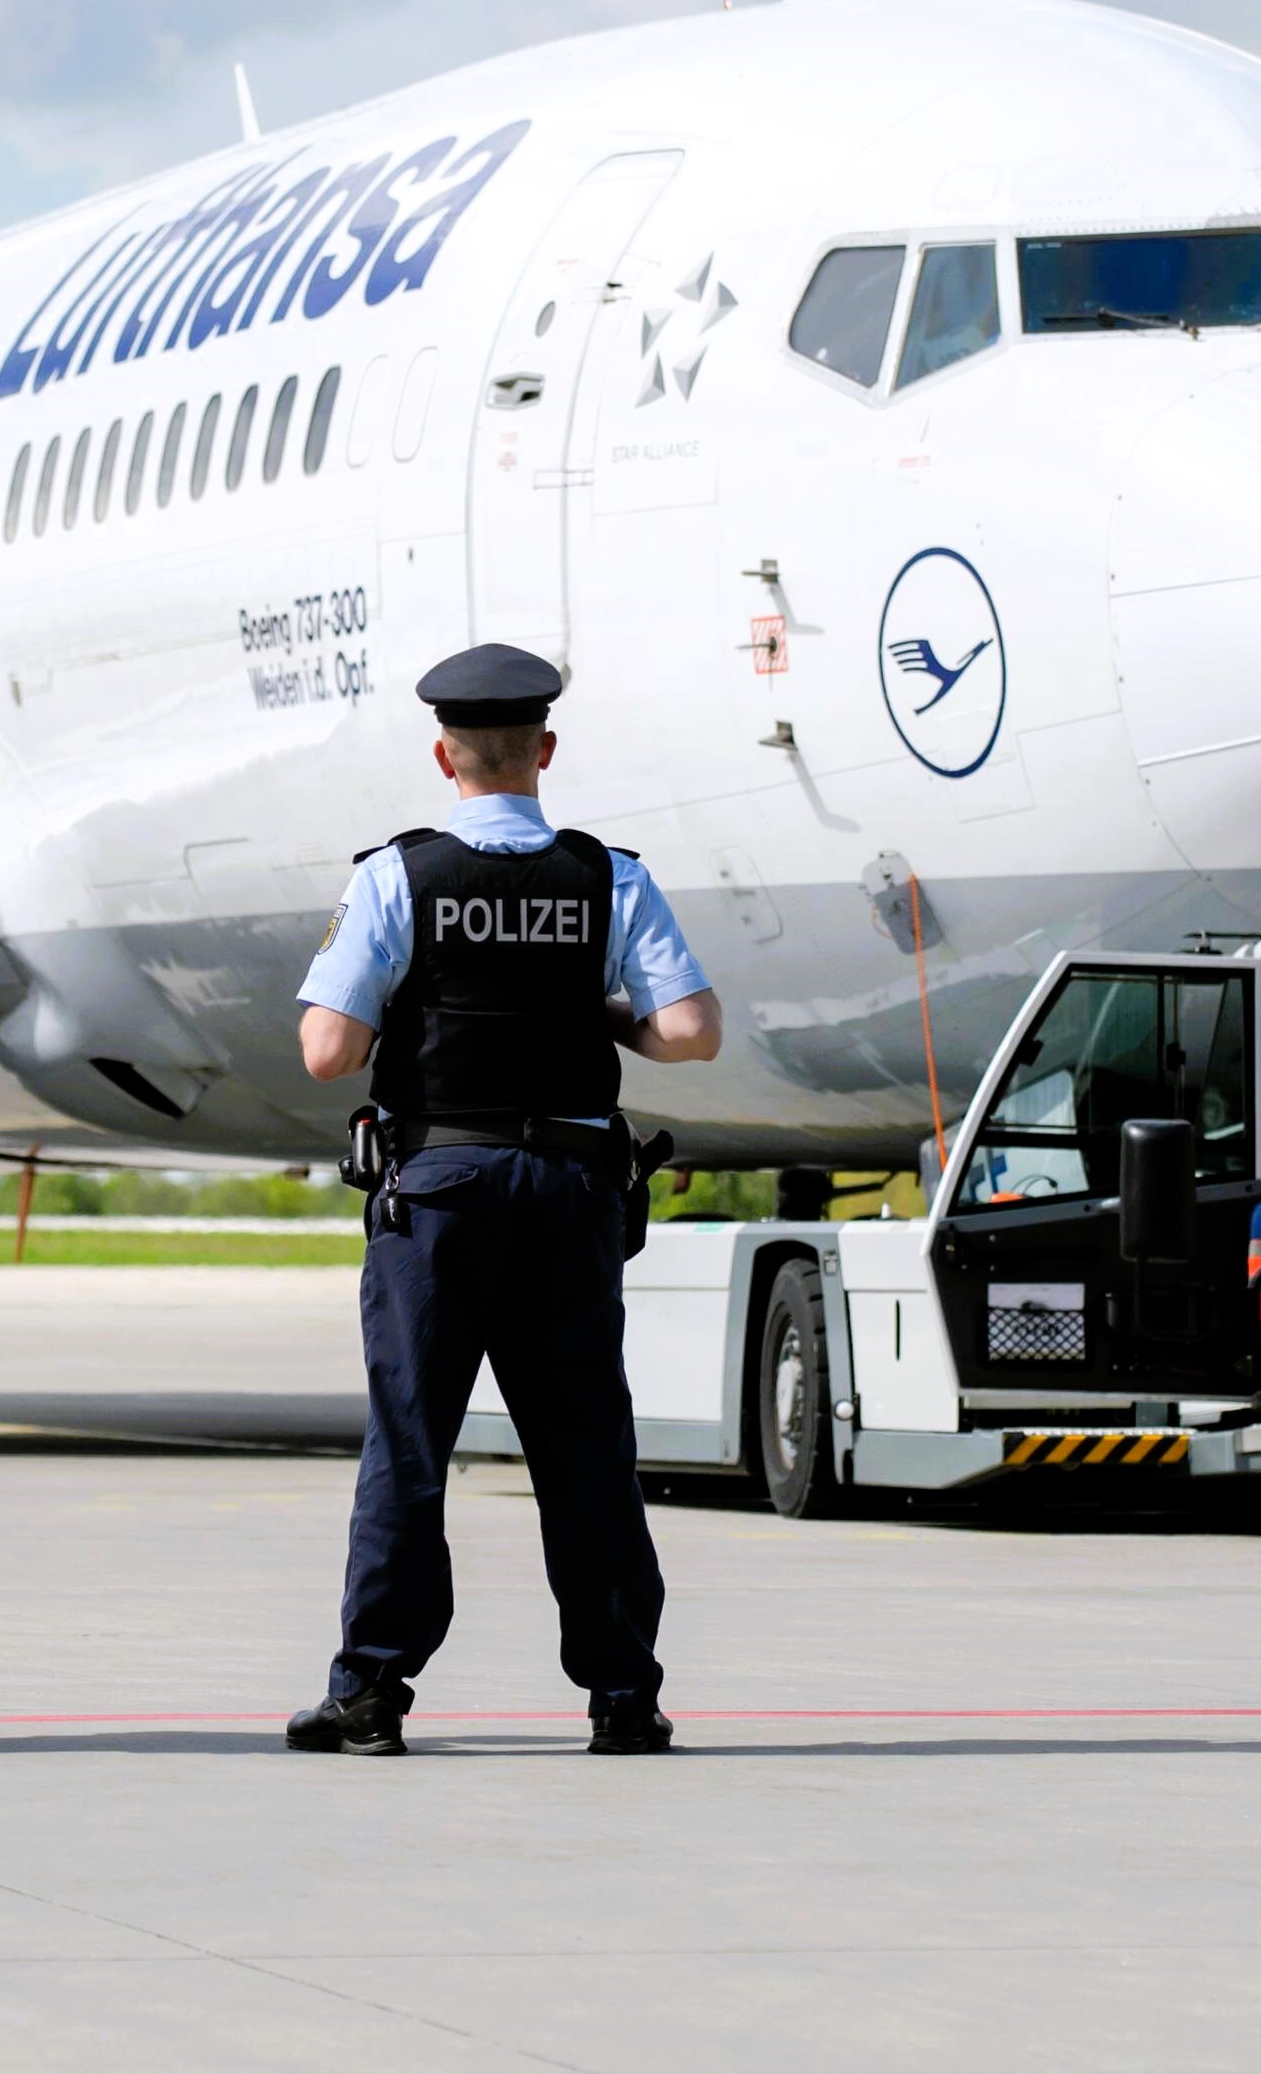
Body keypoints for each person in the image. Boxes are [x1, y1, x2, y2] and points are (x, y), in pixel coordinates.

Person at [284, 642, 724, 1760]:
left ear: (446, 754)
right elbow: (689, 1030)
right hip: (572, 1190)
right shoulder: (608, 875)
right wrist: (599, 1018)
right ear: (546, 749)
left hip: (440, 1194)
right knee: (585, 1445)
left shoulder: (398, 875)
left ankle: (373, 1691)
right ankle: (623, 1693)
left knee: (412, 1445)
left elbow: (328, 1051)